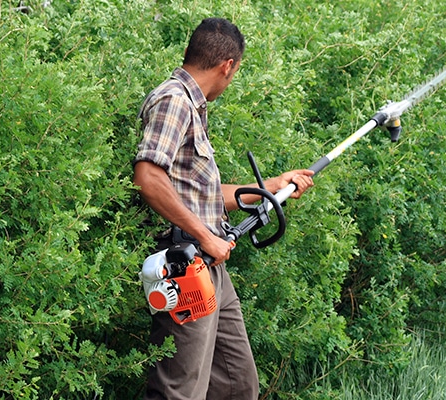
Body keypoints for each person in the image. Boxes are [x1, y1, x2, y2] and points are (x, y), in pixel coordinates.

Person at [133, 18, 314, 400]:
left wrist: (270, 188)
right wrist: (205, 236)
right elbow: (149, 179)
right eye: (235, 73)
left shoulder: (194, 108)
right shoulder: (174, 100)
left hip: (210, 266)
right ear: (227, 65)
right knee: (180, 391)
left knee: (236, 383)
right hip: (185, 268)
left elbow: (204, 194)